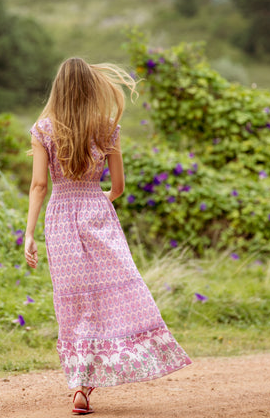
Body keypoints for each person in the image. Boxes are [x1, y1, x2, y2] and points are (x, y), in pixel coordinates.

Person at [25, 57, 191, 415]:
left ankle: (79, 385)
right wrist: (98, 199)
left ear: (58, 90)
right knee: (118, 289)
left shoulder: (42, 129)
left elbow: (39, 185)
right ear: (90, 89)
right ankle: (95, 378)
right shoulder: (107, 130)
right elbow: (117, 187)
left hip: (59, 219)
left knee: (75, 301)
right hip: (97, 213)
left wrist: (29, 234)